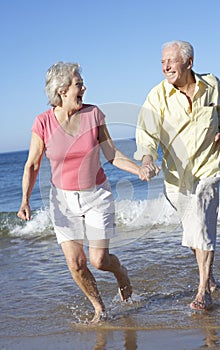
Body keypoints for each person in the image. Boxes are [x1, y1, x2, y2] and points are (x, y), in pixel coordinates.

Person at [17, 61, 154, 323]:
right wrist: (24, 200)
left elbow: (111, 154)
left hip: (96, 196)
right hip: (62, 200)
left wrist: (139, 170)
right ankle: (100, 309)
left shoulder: (94, 115)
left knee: (99, 260)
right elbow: (32, 164)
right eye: (79, 84)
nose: (84, 88)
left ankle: (121, 272)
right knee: (77, 265)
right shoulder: (43, 122)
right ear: (62, 91)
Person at [134, 40, 220, 310]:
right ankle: (209, 277)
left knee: (201, 224)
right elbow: (147, 133)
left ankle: (203, 292)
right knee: (193, 231)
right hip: (176, 177)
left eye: (171, 61)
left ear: (188, 62)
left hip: (208, 168)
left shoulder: (213, 85)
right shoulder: (157, 96)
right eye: (162, 61)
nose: (165, 66)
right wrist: (147, 158)